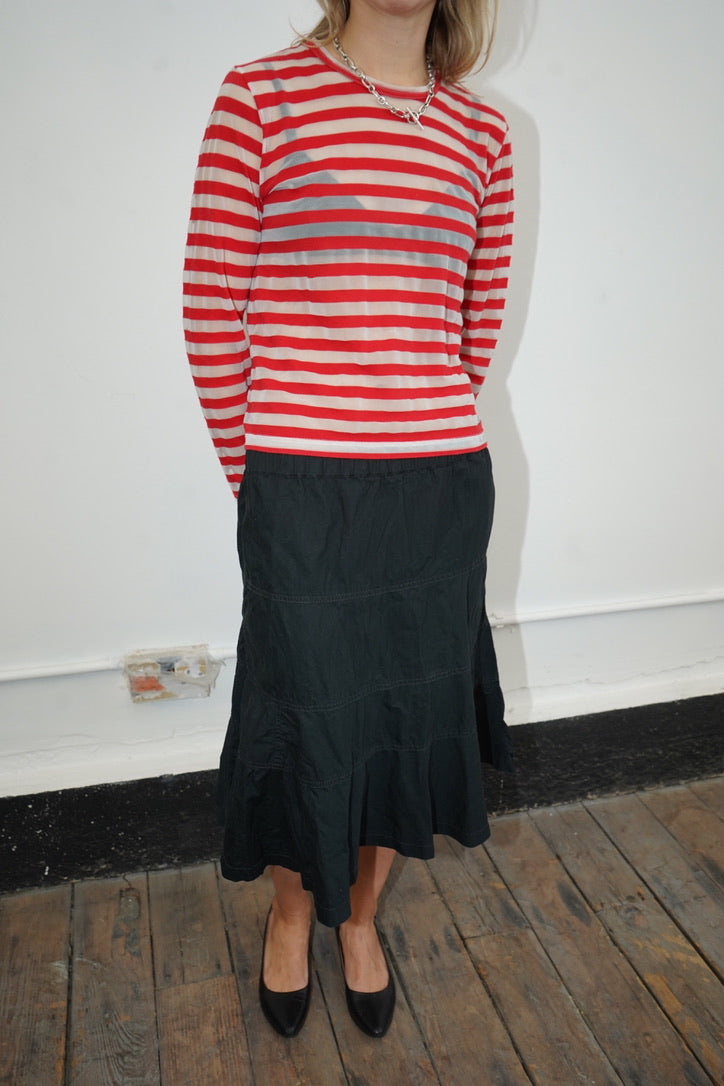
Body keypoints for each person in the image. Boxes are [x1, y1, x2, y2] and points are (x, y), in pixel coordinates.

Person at [183, 0, 514, 1040]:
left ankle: (359, 918)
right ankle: (292, 914)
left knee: (401, 719)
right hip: (303, 482)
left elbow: (475, 318)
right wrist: (257, 475)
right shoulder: (260, 97)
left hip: (436, 487)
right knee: (304, 715)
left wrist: (417, 420)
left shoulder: (483, 133)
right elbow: (210, 303)